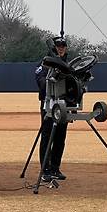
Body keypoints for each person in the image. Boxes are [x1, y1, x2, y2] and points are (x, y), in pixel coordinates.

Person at [35, 36, 69, 182]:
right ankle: (45, 169)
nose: (61, 48)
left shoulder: (68, 63)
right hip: (48, 105)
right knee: (47, 137)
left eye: (63, 46)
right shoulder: (45, 62)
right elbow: (39, 78)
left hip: (63, 105)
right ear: (54, 47)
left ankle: (55, 167)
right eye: (58, 46)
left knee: (60, 138)